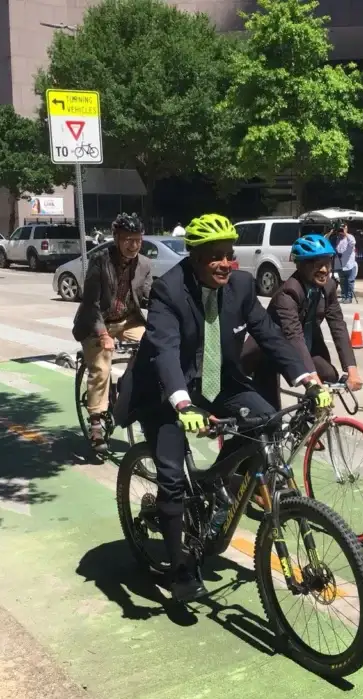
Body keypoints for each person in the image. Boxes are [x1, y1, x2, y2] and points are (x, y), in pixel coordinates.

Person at [114, 213, 332, 602]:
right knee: (171, 476)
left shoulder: (242, 286)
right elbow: (164, 350)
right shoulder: (169, 289)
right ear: (194, 257)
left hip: (219, 382)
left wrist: (307, 380)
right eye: (214, 256)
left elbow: (269, 336)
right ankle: (180, 568)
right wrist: (182, 404)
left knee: (265, 418)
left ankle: (217, 480)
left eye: (229, 255)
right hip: (167, 388)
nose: (224, 264)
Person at [244, 233, 363, 408]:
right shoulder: (288, 293)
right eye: (317, 264)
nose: (324, 270)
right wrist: (313, 381)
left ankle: (306, 430)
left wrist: (352, 370)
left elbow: (338, 325)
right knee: (270, 411)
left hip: (307, 345)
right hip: (270, 351)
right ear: (300, 265)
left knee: (329, 376)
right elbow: (294, 336)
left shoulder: (328, 287)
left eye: (327, 263)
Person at [72, 212, 153, 451]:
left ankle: (125, 387)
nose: (134, 245)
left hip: (128, 320)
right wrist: (103, 335)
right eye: (128, 239)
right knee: (101, 365)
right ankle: (96, 420)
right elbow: (90, 304)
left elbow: (148, 297)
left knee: (152, 349)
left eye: (138, 239)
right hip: (97, 322)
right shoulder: (100, 261)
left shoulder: (145, 264)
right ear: (116, 238)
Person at [334, 222, 358, 303]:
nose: (342, 230)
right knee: (342, 281)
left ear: (347, 229)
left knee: (350, 281)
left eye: (344, 228)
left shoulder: (350, 237)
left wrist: (345, 233)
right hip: (340, 264)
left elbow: (352, 243)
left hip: (349, 264)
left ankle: (349, 297)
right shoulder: (338, 238)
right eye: (341, 229)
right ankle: (344, 296)